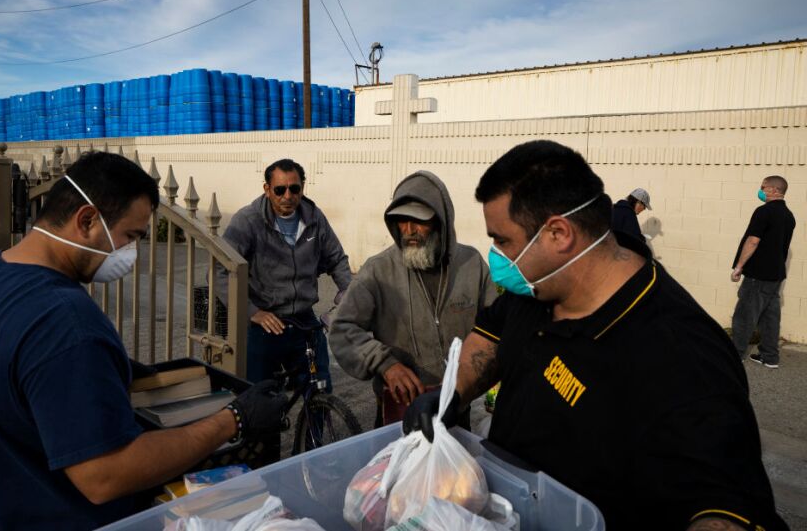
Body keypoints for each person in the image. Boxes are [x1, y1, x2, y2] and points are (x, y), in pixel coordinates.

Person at [404, 141, 787, 531]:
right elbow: (493, 336)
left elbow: (724, 509)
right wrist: (452, 393)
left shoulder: (682, 355)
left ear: (558, 234)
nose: (497, 254)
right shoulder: (536, 288)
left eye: (503, 241)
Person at [0, 152, 287, 530]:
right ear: (86, 220)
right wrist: (233, 420)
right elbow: (105, 475)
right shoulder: (64, 321)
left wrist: (104, 372)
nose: (131, 254)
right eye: (130, 237)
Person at [329, 171, 497, 427]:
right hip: (399, 412)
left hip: (455, 408)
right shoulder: (378, 270)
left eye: (419, 221)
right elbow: (341, 328)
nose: (409, 231)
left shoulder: (471, 264)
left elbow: (495, 326)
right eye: (402, 221)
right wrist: (385, 364)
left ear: (441, 220)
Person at [217, 158, 352, 388]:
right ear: (267, 189)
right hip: (264, 321)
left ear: (302, 187)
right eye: (279, 190)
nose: (287, 196)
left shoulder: (314, 217)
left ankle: (315, 422)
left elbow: (336, 259)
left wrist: (350, 292)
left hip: (303, 318)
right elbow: (220, 272)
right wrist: (253, 312)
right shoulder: (248, 221)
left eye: (294, 189)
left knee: (319, 385)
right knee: (257, 395)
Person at [730, 176, 796, 368]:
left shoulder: (764, 212)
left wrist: (739, 266)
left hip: (758, 275)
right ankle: (770, 357)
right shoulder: (789, 215)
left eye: (763, 187)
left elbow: (753, 241)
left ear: (774, 190)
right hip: (776, 275)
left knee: (744, 315)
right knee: (770, 317)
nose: (760, 190)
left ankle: (736, 355)